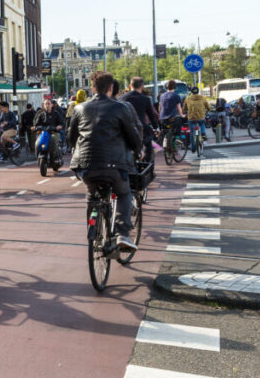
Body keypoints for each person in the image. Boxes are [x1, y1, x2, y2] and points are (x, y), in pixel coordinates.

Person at [67, 71, 143, 252]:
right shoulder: (120, 108)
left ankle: (93, 233)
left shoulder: (79, 109)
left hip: (85, 166)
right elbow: (133, 136)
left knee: (92, 196)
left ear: (92, 88)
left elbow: (71, 137)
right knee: (124, 193)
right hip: (114, 165)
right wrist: (137, 150)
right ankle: (122, 234)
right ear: (111, 88)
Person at [120, 77, 161, 163]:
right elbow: (151, 115)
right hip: (141, 130)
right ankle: (149, 166)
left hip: (125, 130)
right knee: (149, 147)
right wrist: (156, 127)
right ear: (142, 87)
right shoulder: (145, 99)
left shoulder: (121, 98)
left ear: (130, 86)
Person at [158, 79, 184, 146]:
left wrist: (160, 116)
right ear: (175, 87)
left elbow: (160, 107)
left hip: (163, 118)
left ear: (167, 87)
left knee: (164, 130)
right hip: (172, 118)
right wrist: (182, 115)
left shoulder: (162, 96)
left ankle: (159, 145)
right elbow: (179, 108)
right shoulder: (176, 96)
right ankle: (177, 138)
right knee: (179, 121)